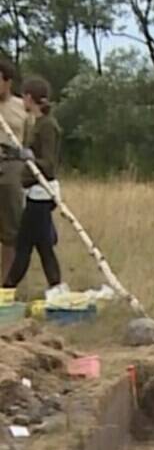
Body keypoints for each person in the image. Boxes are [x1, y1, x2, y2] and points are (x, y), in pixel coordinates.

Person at [2, 76, 63, 294]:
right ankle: (56, 286)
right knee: (41, 245)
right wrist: (16, 154)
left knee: (25, 244)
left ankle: (7, 288)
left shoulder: (48, 126)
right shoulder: (37, 123)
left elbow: (48, 164)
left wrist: (28, 158)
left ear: (29, 98)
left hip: (42, 192)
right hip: (34, 192)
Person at [0, 59, 27, 280]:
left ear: (7, 82)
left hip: (12, 164)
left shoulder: (21, 107)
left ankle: (6, 282)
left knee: (10, 229)